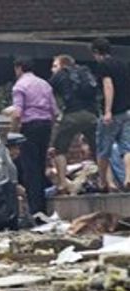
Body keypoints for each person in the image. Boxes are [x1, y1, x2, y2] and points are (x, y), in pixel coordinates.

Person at [10, 57, 58, 216]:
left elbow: (17, 114)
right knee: (40, 165)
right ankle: (43, 206)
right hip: (45, 126)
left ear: (19, 68)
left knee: (30, 169)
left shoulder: (19, 86)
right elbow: (54, 111)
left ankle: (35, 210)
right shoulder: (45, 84)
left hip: (29, 127)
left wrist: (13, 134)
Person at [49, 54, 99, 194]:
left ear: (63, 65)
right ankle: (107, 181)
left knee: (59, 149)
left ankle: (62, 184)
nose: (52, 69)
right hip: (92, 115)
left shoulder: (60, 75)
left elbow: (47, 92)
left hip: (72, 115)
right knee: (99, 150)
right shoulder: (85, 73)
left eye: (55, 66)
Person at [91, 38, 130, 191]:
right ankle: (128, 177)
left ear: (96, 52)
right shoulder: (122, 64)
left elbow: (108, 86)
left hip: (113, 114)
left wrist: (108, 110)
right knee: (127, 148)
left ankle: (104, 182)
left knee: (103, 149)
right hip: (126, 112)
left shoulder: (103, 66)